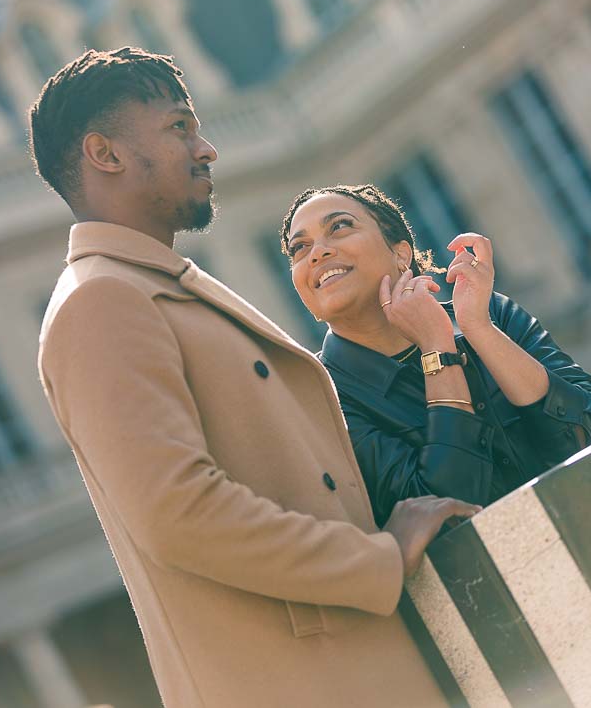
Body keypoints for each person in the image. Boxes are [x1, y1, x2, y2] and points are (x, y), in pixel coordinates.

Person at [29, 48, 479, 708]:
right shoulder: (100, 303)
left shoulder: (149, 286)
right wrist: (381, 558)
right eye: (179, 127)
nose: (206, 148)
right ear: (107, 154)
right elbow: (180, 513)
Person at [281, 184, 591, 528]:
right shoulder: (320, 401)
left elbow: (582, 434)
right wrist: (438, 351)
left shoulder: (492, 314)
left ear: (401, 253)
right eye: (299, 248)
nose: (317, 253)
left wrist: (479, 329)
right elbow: (445, 514)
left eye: (339, 226)